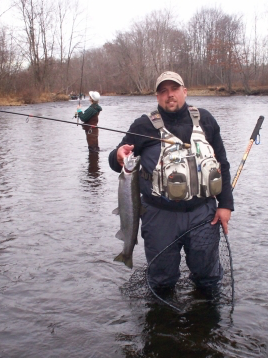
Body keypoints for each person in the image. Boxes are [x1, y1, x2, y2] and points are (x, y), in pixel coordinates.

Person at [108, 71, 234, 290]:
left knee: (207, 277)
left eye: (174, 89)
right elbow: (115, 159)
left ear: (184, 91)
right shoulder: (143, 126)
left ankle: (206, 318)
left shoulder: (205, 120)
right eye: (163, 91)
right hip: (159, 215)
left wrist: (225, 205)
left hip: (203, 213)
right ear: (157, 97)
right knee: (162, 280)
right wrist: (118, 155)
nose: (170, 95)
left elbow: (222, 162)